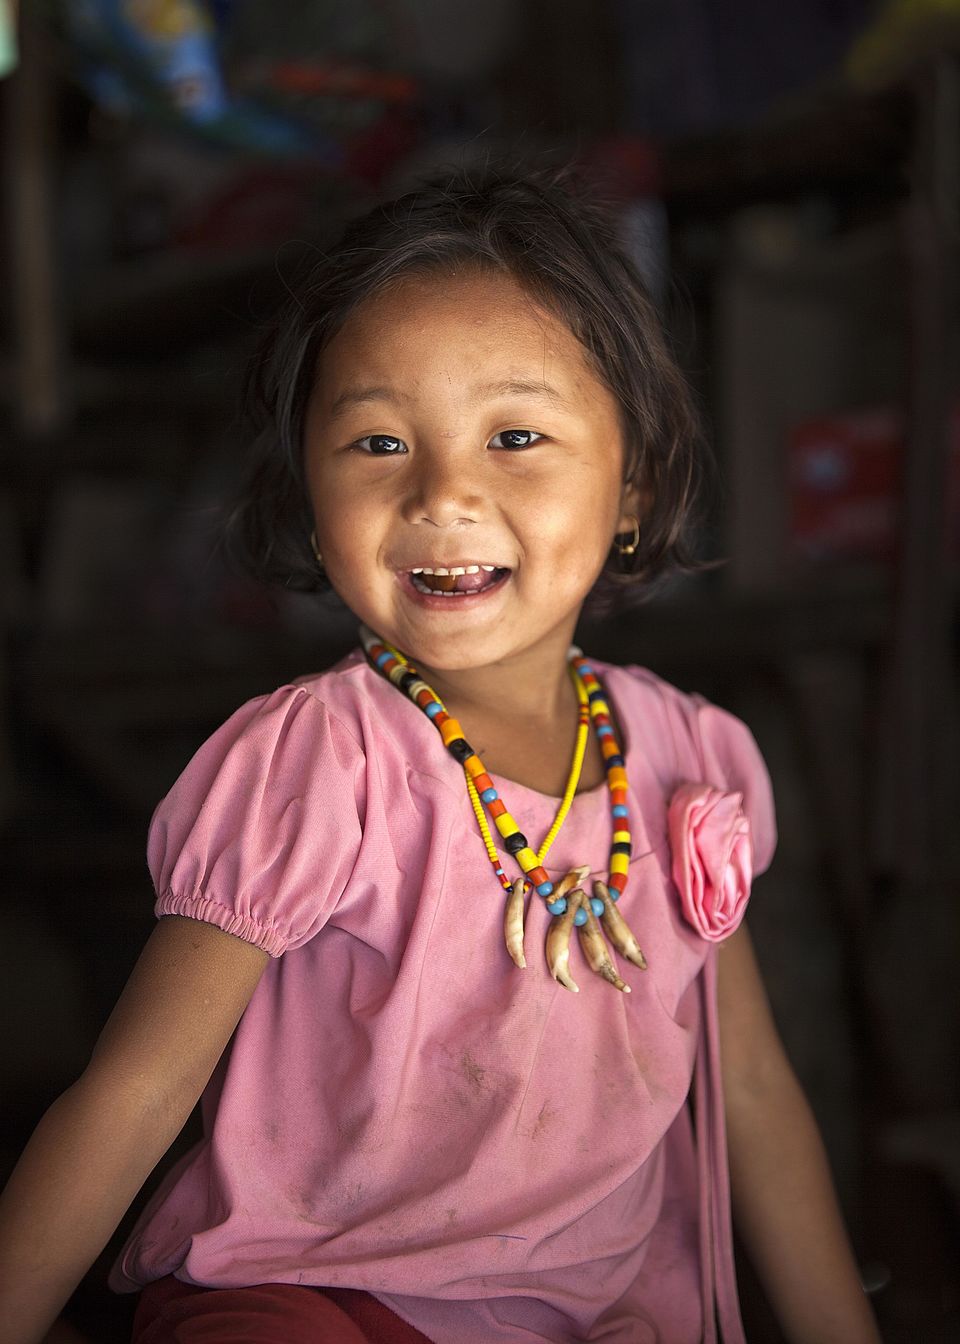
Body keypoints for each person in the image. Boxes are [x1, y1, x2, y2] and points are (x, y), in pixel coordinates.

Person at [0, 167, 881, 1344]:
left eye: (515, 435)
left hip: (591, 1316)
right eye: (376, 441)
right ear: (312, 501)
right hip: (316, 1299)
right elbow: (136, 1091)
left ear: (636, 488)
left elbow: (757, 1097)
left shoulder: (685, 753)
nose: (442, 491)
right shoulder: (318, 760)